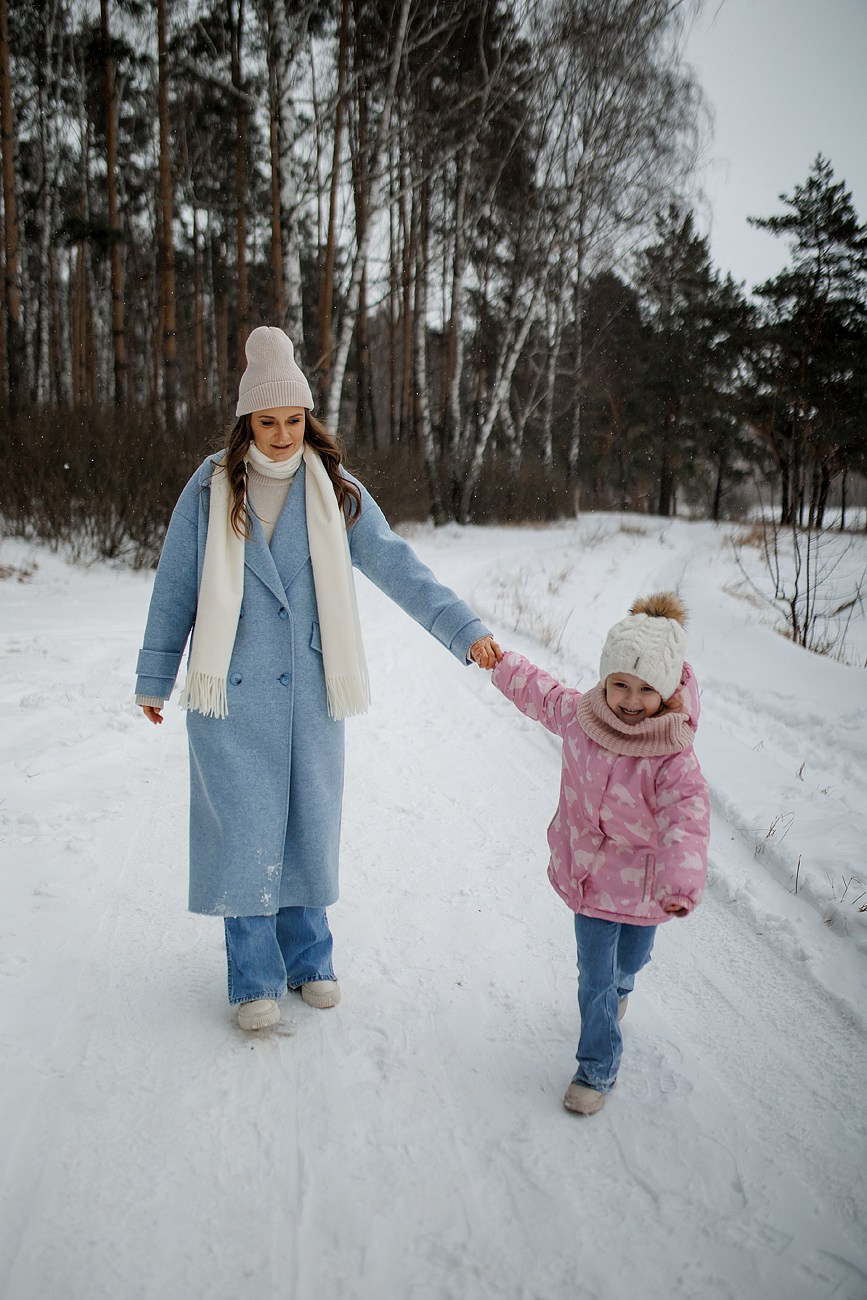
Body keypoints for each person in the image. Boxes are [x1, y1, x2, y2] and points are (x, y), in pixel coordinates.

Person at [136, 326, 500, 1031]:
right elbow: (175, 586)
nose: (281, 436)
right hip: (228, 695)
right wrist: (156, 676)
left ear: (308, 418)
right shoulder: (209, 488)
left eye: (293, 420)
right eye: (267, 422)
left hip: (310, 691)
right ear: (246, 423)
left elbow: (398, 567)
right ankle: (253, 979)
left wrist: (464, 630)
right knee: (245, 832)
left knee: (307, 825)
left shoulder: (336, 491)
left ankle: (309, 960)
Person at [487, 593, 709, 1115]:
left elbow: (687, 817)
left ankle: (623, 984)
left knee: (631, 961)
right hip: (590, 879)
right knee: (594, 978)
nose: (630, 700)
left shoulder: (672, 753)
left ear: (667, 692)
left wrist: (678, 883)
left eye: (646, 689)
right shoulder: (583, 717)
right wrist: (499, 662)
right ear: (605, 680)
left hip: (643, 886)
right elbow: (541, 692)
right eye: (620, 685)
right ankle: (596, 1068)